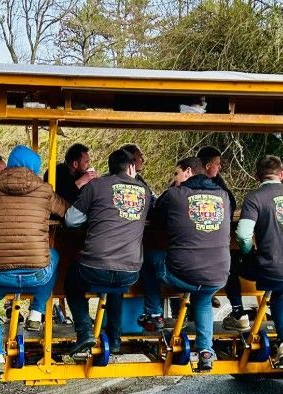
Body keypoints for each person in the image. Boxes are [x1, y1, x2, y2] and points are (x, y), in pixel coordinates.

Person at [0, 145, 68, 379]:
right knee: (54, 257)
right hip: (37, 274)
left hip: (0, 273)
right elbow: (66, 212)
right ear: (34, 167)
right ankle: (36, 312)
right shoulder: (44, 190)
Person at [141, 156, 231, 371]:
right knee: (203, 299)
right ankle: (206, 350)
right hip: (218, 274)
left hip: (183, 273)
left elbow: (155, 216)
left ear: (188, 172)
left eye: (177, 173)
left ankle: (154, 314)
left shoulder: (175, 194)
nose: (175, 178)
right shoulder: (223, 196)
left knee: (147, 258)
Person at [221, 156, 283, 366]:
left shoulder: (255, 198)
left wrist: (248, 254)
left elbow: (243, 235)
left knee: (228, 262)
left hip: (271, 269)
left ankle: (239, 314)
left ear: (256, 176)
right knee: (278, 293)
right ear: (282, 174)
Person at [65, 149, 152, 356]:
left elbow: (71, 219)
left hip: (95, 268)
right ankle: (114, 340)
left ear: (109, 167)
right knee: (117, 286)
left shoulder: (96, 185)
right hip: (130, 271)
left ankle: (85, 332)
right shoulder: (145, 191)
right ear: (131, 167)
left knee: (71, 282)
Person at [196, 146, 235, 310]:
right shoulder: (218, 189)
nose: (220, 167)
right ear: (207, 166)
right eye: (217, 164)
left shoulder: (218, 182)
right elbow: (231, 204)